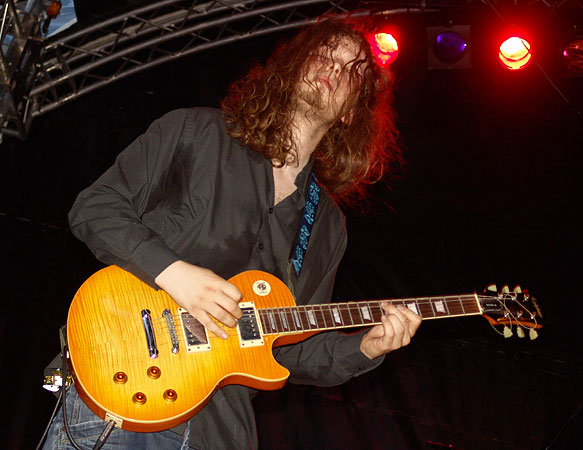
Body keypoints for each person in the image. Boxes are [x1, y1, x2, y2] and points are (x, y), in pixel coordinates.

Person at [42, 15, 422, 450]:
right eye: (324, 53)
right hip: (122, 388)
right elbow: (95, 207)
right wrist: (175, 274)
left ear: (351, 111)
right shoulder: (197, 131)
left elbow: (291, 350)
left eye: (352, 69)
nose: (334, 67)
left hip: (220, 433)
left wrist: (367, 348)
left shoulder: (328, 227)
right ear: (293, 66)